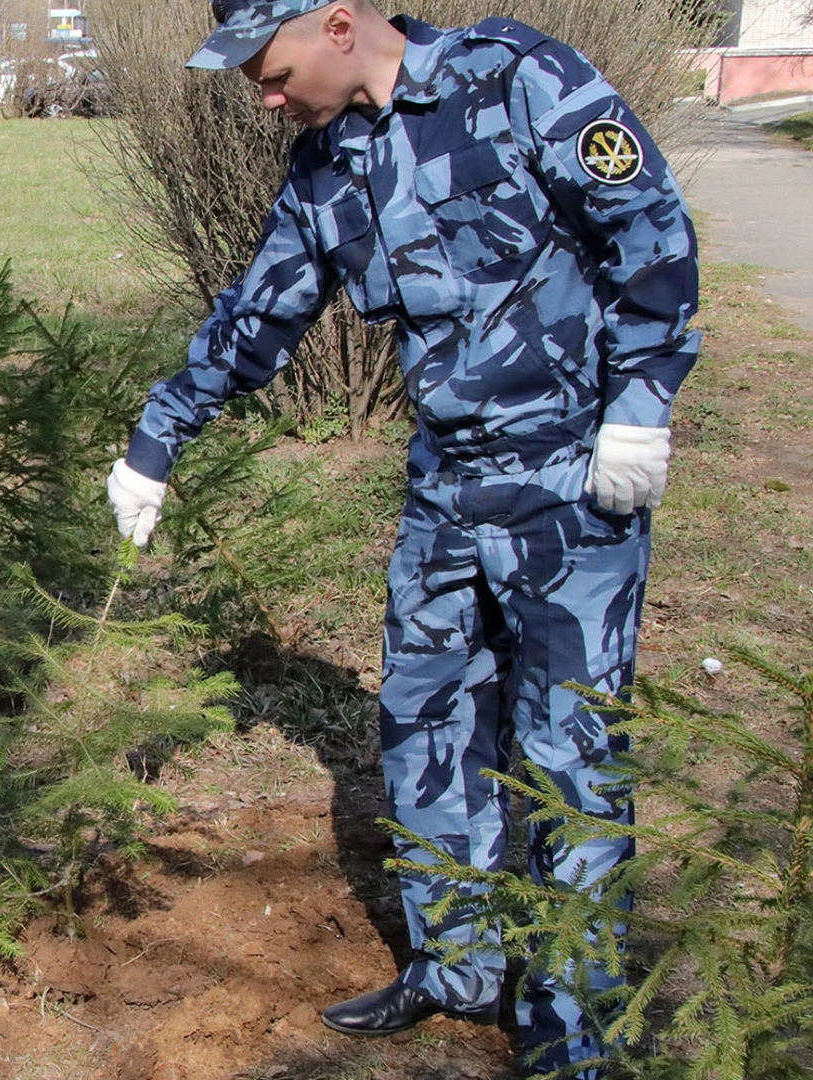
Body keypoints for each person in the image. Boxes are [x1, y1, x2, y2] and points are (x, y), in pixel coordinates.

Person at [106, 2, 697, 1075]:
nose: (268, 97)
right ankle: (456, 965)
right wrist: (157, 437)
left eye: (273, 72)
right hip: (446, 491)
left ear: (337, 22)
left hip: (571, 484)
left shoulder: (516, 77)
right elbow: (263, 307)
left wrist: (643, 399)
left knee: (569, 757)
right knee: (426, 725)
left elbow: (647, 227)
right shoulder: (330, 162)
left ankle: (573, 1022)